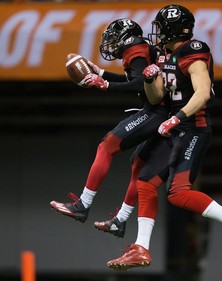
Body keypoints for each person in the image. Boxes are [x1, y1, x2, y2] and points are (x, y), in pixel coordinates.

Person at [106, 4, 222, 271]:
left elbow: (202, 93)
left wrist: (177, 118)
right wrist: (151, 80)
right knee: (145, 183)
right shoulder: (165, 54)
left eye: (162, 27)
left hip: (192, 128)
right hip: (174, 129)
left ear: (175, 29)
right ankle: (141, 248)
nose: (157, 32)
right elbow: (157, 97)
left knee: (177, 194)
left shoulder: (194, 51)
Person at [50, 18, 170, 239]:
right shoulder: (144, 48)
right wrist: (102, 73)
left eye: (114, 38)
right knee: (138, 166)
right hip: (163, 112)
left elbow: (138, 83)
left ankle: (82, 206)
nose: (112, 44)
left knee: (107, 146)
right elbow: (137, 78)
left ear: (127, 36)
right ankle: (121, 220)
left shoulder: (134, 45)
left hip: (157, 111)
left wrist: (106, 86)